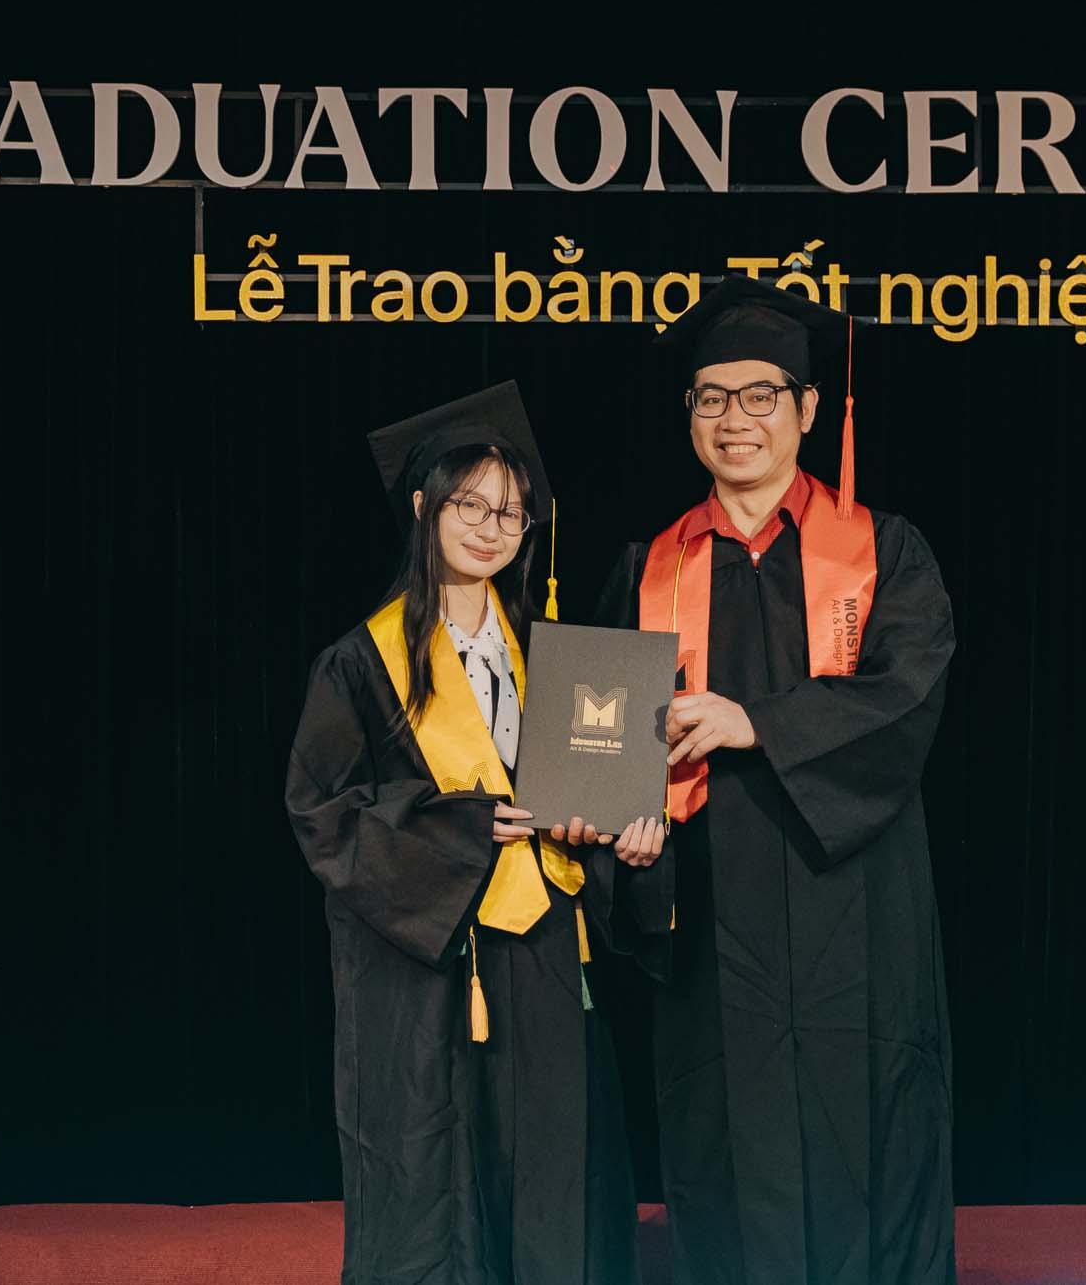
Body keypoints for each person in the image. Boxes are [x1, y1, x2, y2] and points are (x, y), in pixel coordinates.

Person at [598, 278, 958, 1285]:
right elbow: (611, 742)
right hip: (713, 919)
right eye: (712, 398)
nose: (735, 419)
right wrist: (622, 817)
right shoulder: (650, 569)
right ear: (690, 417)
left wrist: (756, 722)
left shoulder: (884, 552)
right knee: (721, 1143)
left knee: (867, 1130)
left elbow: (906, 694)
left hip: (857, 908)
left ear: (807, 409)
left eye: (761, 395)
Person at [286, 380, 666, 1285]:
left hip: (544, 956)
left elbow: (593, 798)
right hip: (430, 969)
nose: (492, 528)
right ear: (423, 506)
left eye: (511, 512)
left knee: (558, 1182)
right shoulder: (360, 664)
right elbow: (322, 811)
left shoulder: (559, 659)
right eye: (470, 504)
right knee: (435, 1182)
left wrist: (626, 837)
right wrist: (459, 829)